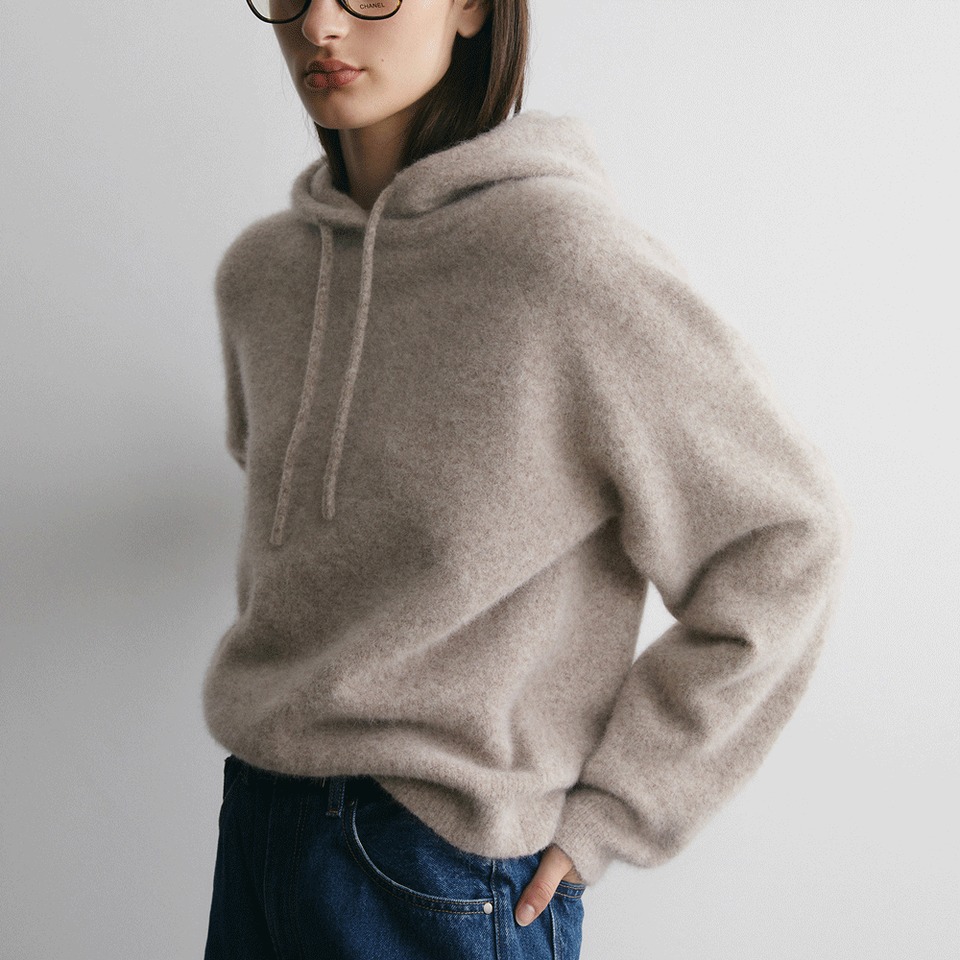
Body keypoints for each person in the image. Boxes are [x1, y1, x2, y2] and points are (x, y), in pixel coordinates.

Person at [202, 1, 850, 958]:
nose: (320, 25)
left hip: (441, 860)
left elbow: (784, 534)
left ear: (471, 6)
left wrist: (618, 811)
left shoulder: (563, 257)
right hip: (260, 817)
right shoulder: (261, 276)